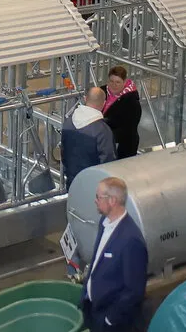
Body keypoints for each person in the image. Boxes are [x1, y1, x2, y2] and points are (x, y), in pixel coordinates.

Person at [80, 177, 147, 332]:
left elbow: (134, 290)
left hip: (112, 322)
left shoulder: (131, 240)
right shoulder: (104, 223)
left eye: (98, 197)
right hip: (94, 311)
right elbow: (96, 262)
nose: (95, 201)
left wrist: (110, 319)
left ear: (112, 200)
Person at [62, 87, 116, 186]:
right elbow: (108, 161)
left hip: (72, 181)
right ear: (104, 103)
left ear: (85, 98)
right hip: (94, 185)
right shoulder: (102, 130)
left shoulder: (68, 122)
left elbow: (64, 154)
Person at [102, 66, 142, 159]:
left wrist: (103, 126)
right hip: (104, 140)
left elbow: (129, 129)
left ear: (124, 82)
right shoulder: (102, 92)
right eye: (111, 81)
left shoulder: (132, 102)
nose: (114, 85)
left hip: (124, 145)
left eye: (118, 82)